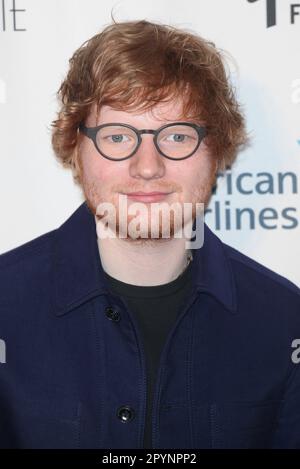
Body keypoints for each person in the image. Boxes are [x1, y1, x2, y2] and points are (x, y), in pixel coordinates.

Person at [0, 18, 299, 450]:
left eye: (177, 135)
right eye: (117, 136)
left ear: (216, 151)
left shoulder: (284, 320)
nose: (147, 166)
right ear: (75, 150)